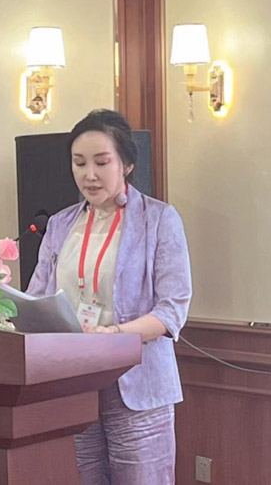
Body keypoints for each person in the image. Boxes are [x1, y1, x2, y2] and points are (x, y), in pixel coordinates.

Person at [27, 109, 192, 485]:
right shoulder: (60, 224)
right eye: (79, 163)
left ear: (127, 164)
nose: (89, 174)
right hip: (72, 382)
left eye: (102, 163)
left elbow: (171, 310)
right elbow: (37, 299)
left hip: (137, 385)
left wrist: (114, 335)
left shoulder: (159, 220)